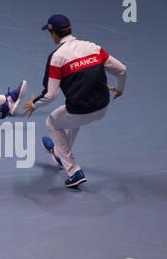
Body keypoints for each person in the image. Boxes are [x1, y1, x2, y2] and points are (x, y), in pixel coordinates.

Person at [23, 14, 127, 188]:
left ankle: (73, 171)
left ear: (53, 33)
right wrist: (120, 89)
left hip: (79, 111)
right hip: (103, 107)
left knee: (52, 121)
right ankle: (57, 152)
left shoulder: (57, 57)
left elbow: (50, 95)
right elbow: (122, 70)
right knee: (69, 117)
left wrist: (33, 104)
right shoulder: (93, 47)